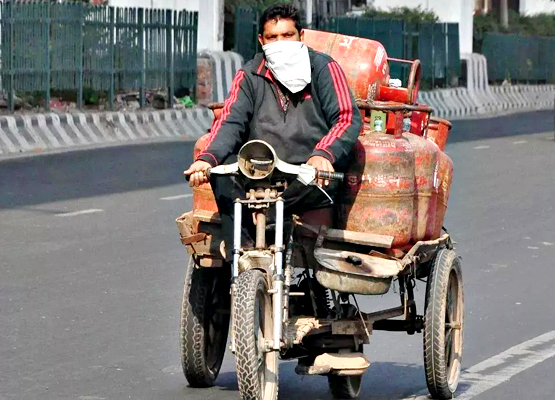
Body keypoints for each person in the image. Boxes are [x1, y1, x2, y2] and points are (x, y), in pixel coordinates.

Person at [184, 3, 362, 254]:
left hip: (307, 173)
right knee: (222, 173)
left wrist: (323, 154)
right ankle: (242, 256)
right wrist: (207, 159)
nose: (281, 43)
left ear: (301, 36)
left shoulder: (323, 68)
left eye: (288, 35)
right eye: (272, 37)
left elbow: (347, 118)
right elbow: (230, 122)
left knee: (306, 185)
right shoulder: (249, 74)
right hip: (259, 169)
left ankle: (269, 218)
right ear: (261, 41)